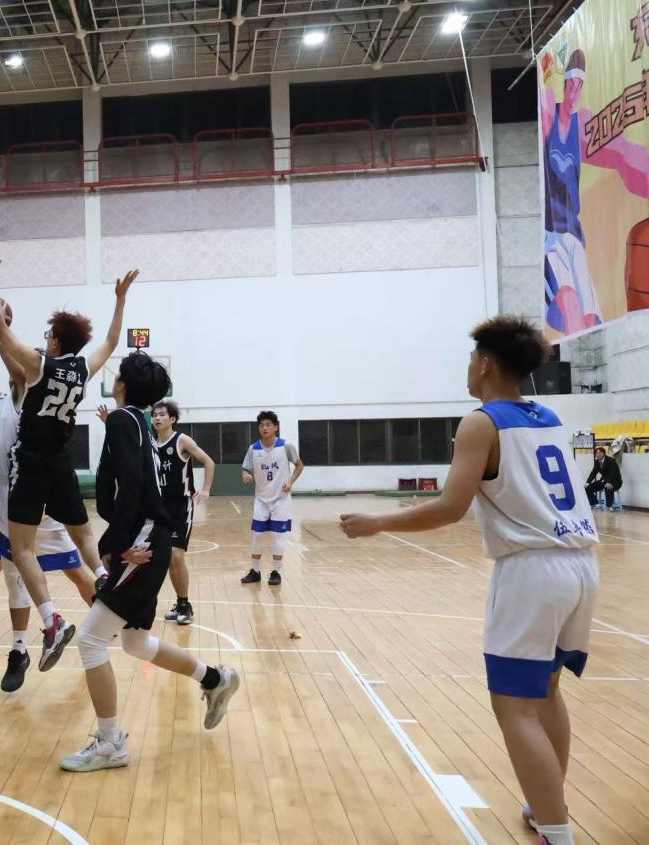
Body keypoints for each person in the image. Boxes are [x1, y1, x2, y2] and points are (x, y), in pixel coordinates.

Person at [340, 316, 598, 845]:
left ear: (484, 364)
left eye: (470, 359)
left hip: (532, 571)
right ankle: (546, 806)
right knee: (547, 691)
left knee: (513, 707)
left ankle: (556, 833)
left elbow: (451, 507)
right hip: (581, 563)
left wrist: (378, 523)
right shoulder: (548, 416)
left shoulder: (480, 423)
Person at [62, 351, 239, 773]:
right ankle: (216, 680)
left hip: (141, 537)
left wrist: (116, 543)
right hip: (150, 535)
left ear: (122, 384)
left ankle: (111, 744)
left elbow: (134, 484)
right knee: (135, 643)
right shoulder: (135, 423)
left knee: (90, 641)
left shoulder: (125, 420)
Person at [0, 244, 134, 670]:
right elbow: (112, 341)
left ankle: (51, 620)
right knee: (84, 534)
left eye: (48, 336)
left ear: (56, 341)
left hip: (31, 463)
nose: (44, 340)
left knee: (21, 548)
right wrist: (120, 300)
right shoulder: (82, 369)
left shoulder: (38, 364)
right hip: (64, 461)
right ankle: (105, 579)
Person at [0, 335, 99, 692]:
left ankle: (26, 646)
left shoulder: (30, 399)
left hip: (20, 492)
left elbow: (15, 361)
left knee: (46, 571)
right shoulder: (1, 398)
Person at [540, 49, 649, 334]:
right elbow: (543, 97)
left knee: (592, 321)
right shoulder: (549, 118)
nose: (574, 92)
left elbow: (622, 153)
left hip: (574, 236)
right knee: (568, 303)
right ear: (565, 85)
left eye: (579, 86)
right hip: (551, 237)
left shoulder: (583, 125)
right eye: (571, 85)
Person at [148, 400, 215, 624]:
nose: (157, 418)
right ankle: (179, 603)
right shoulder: (151, 443)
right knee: (166, 559)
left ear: (172, 419)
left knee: (176, 555)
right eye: (154, 415)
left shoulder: (181, 440)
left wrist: (206, 488)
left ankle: (185, 605)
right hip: (158, 508)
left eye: (162, 414)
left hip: (180, 507)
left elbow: (209, 462)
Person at [241, 410, 303, 586]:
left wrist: (290, 481)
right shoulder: (253, 449)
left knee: (278, 535)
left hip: (281, 499)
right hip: (261, 499)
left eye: (268, 425)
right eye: (261, 425)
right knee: (257, 535)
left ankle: (276, 572)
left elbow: (299, 465)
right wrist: (245, 475)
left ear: (275, 427)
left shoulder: (286, 446)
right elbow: (245, 469)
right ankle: (255, 571)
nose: (265, 428)